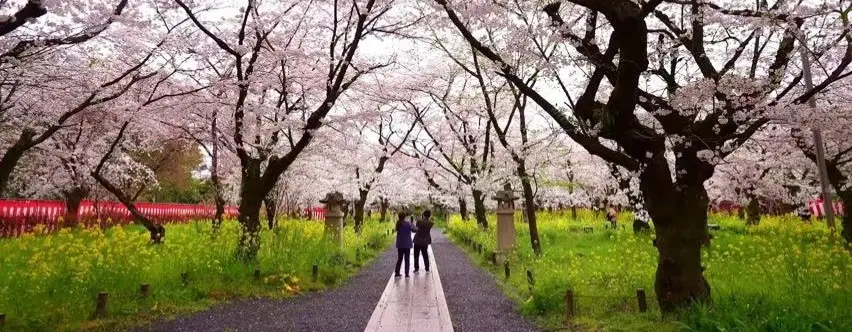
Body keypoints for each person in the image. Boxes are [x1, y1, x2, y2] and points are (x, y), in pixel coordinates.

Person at [394, 212, 417, 277]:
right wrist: (413, 224)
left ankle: (397, 272)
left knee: (400, 259)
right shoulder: (407, 223)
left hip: (400, 244)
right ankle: (406, 273)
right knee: (407, 259)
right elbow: (414, 230)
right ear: (404, 217)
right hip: (407, 244)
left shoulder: (398, 223)